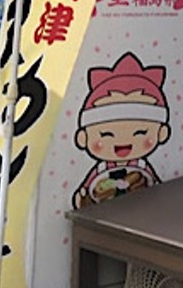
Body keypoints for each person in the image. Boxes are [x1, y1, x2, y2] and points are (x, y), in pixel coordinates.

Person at [72, 52, 170, 209]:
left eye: (141, 133)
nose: (122, 141)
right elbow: (90, 190)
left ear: (161, 133)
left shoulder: (141, 168)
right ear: (83, 137)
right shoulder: (101, 170)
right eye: (105, 134)